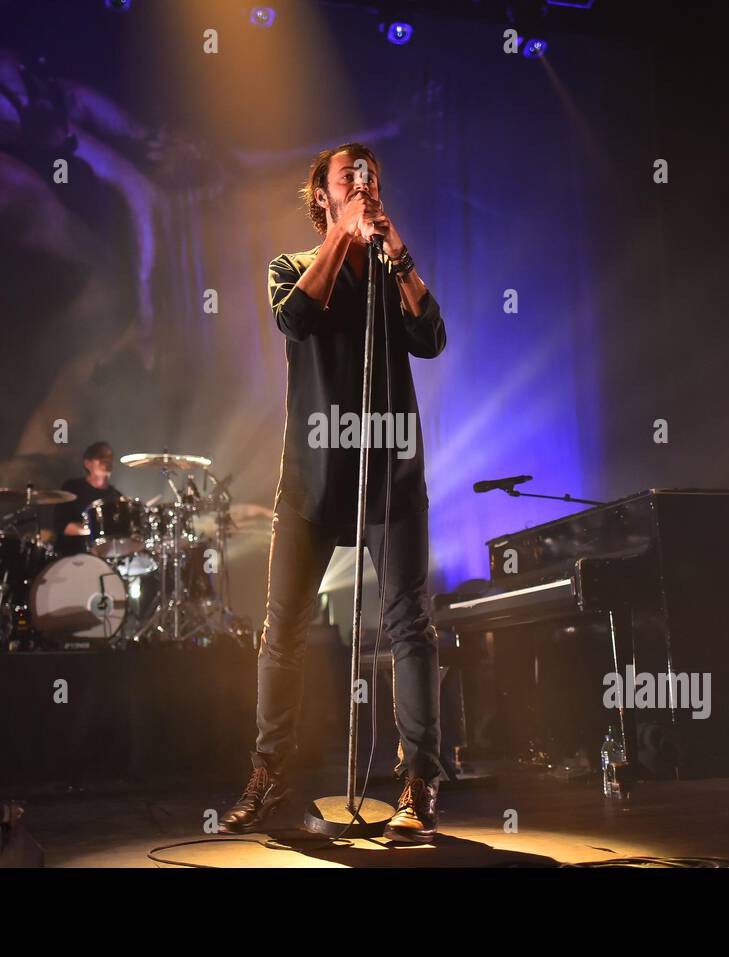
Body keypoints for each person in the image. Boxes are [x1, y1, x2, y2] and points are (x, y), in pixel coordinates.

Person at [218, 143, 448, 842]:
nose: (364, 181)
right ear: (321, 193)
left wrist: (395, 247)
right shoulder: (291, 267)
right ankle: (269, 774)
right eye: (349, 174)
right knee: (281, 628)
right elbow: (298, 319)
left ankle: (418, 780)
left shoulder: (389, 268)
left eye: (372, 174)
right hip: (314, 476)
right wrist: (343, 239)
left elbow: (431, 337)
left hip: (390, 474)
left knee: (411, 624)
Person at [52, 441, 123, 556]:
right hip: (71, 555)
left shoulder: (116, 497)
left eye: (110, 457)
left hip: (104, 558)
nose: (107, 460)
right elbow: (61, 526)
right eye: (101, 456)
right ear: (87, 463)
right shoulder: (72, 487)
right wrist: (95, 529)